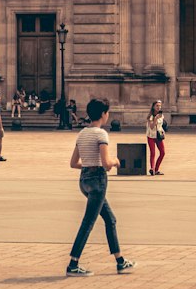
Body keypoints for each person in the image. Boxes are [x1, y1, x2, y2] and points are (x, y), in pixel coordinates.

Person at [66, 97, 137, 277]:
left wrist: (89, 164)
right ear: (104, 114)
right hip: (98, 181)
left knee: (110, 219)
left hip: (84, 181)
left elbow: (73, 163)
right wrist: (116, 161)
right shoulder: (101, 134)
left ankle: (120, 261)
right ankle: (73, 264)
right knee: (88, 222)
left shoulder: (82, 133)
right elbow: (106, 164)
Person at [145, 100, 167, 175]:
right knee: (153, 153)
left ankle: (156, 169)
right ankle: (152, 169)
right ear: (153, 107)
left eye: (159, 106)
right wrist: (155, 119)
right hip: (151, 136)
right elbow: (151, 127)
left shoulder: (161, 115)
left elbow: (160, 125)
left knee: (162, 152)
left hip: (158, 136)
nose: (158, 107)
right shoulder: (150, 116)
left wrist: (163, 131)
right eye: (157, 106)